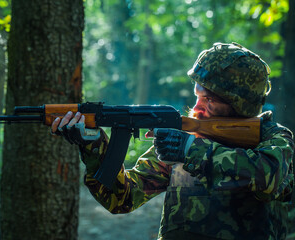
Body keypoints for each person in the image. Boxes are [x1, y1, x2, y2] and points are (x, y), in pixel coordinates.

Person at [51, 42, 294, 240]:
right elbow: (123, 198)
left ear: (240, 104)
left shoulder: (272, 139)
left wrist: (190, 149)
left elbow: (268, 177)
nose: (197, 106)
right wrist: (93, 146)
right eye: (198, 93)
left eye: (210, 100)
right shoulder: (186, 136)